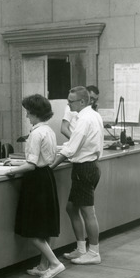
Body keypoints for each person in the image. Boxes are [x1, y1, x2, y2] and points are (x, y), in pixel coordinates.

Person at [0, 94, 65, 278]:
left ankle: (55, 263)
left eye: (28, 113)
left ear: (35, 113)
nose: (26, 116)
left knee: (33, 228)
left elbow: (31, 165)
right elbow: (39, 159)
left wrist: (9, 171)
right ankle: (43, 265)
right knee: (43, 227)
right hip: (46, 177)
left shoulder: (35, 133)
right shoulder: (48, 131)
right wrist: (16, 163)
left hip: (35, 181)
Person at [51, 86, 104, 265]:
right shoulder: (94, 115)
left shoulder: (84, 119)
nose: (68, 103)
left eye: (71, 101)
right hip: (90, 167)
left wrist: (52, 166)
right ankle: (81, 249)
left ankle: (94, 252)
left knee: (88, 212)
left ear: (82, 101)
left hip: (84, 169)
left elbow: (71, 148)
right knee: (71, 208)